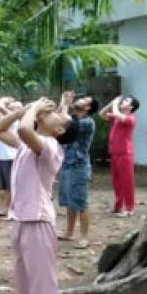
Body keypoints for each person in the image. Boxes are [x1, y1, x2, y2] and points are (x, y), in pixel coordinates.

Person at [0, 97, 80, 294]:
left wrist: (31, 110)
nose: (50, 113)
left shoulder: (50, 147)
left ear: (59, 131)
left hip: (38, 221)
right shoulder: (28, 146)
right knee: (25, 284)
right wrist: (21, 110)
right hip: (21, 219)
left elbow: (24, 130)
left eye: (57, 116)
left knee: (43, 286)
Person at [57, 92, 99, 248]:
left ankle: (84, 236)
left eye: (84, 100)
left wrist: (65, 104)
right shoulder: (74, 119)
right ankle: (69, 232)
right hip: (67, 163)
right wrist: (63, 103)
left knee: (81, 202)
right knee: (70, 200)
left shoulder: (88, 122)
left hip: (79, 165)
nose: (79, 100)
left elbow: (64, 123)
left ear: (88, 108)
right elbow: (57, 121)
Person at [100, 95, 139, 217]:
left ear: (131, 107)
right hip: (115, 152)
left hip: (125, 153)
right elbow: (102, 114)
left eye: (127, 101)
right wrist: (112, 103)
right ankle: (118, 206)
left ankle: (129, 208)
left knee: (127, 181)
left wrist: (116, 104)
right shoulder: (117, 117)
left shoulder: (130, 118)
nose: (123, 101)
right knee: (117, 181)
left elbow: (119, 115)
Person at [0, 98, 22, 217]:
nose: (10, 108)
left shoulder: (15, 120)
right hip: (2, 156)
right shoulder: (4, 119)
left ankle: (11, 208)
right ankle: (8, 206)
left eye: (14, 107)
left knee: (11, 184)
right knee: (5, 185)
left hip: (10, 156)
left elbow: (2, 108)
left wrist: (2, 102)